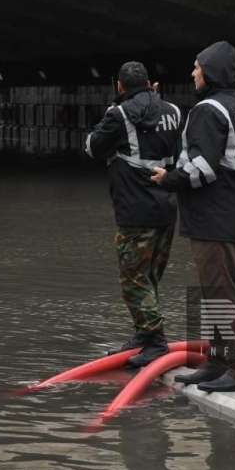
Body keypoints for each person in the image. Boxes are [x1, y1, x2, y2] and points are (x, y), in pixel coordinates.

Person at [150, 41, 235, 393]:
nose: (193, 72)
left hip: (214, 217)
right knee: (217, 290)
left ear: (211, 71)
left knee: (219, 294)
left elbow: (201, 168)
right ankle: (217, 362)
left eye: (197, 66)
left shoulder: (208, 110)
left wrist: (167, 178)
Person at [84, 61, 182, 369]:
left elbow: (91, 147)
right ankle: (143, 335)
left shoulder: (119, 114)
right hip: (167, 207)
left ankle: (155, 341)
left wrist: (112, 112)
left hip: (135, 210)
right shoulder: (174, 112)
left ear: (120, 86)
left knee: (134, 280)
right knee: (151, 277)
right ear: (151, 83)